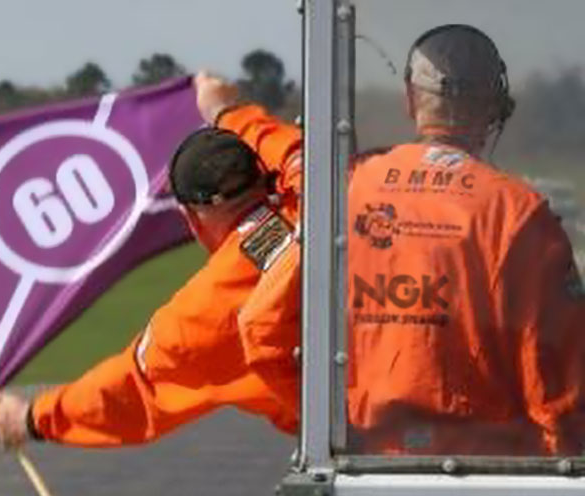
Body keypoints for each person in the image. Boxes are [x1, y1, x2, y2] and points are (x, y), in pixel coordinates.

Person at [212, 24, 585, 456]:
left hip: (366, 466)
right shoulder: (519, 212)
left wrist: (326, 423)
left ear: (410, 99)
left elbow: (260, 326)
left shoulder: (347, 190)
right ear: (494, 106)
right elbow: (559, 383)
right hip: (490, 473)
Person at [0, 76, 302, 450]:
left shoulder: (196, 320)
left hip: (360, 442)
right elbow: (280, 142)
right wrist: (224, 110)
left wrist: (31, 418)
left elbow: (128, 391)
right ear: (266, 174)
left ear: (191, 218)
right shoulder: (317, 186)